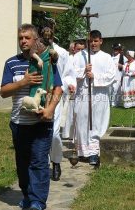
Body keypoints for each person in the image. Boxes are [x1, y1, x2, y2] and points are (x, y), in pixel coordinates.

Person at [0, 23, 63, 210]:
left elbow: (58, 87)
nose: (23, 41)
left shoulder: (48, 60)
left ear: (36, 40)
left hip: (41, 121)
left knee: (39, 162)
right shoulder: (12, 63)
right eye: (20, 38)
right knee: (22, 163)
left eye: (27, 37)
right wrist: (24, 82)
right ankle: (27, 195)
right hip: (19, 122)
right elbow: (3, 91)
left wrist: (51, 108)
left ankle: (37, 201)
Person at [73, 30, 115, 165]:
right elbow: (71, 73)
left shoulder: (107, 57)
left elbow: (111, 75)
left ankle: (94, 152)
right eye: (90, 41)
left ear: (101, 41)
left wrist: (95, 77)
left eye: (96, 41)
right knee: (82, 120)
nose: (93, 44)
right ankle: (83, 151)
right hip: (83, 94)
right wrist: (83, 71)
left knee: (96, 122)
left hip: (99, 95)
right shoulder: (80, 56)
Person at [46, 27, 76, 181]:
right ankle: (42, 164)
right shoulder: (35, 51)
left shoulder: (63, 53)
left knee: (54, 132)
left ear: (53, 37)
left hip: (56, 94)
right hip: (39, 95)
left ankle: (56, 162)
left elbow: (69, 73)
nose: (46, 38)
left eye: (49, 36)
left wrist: (68, 84)